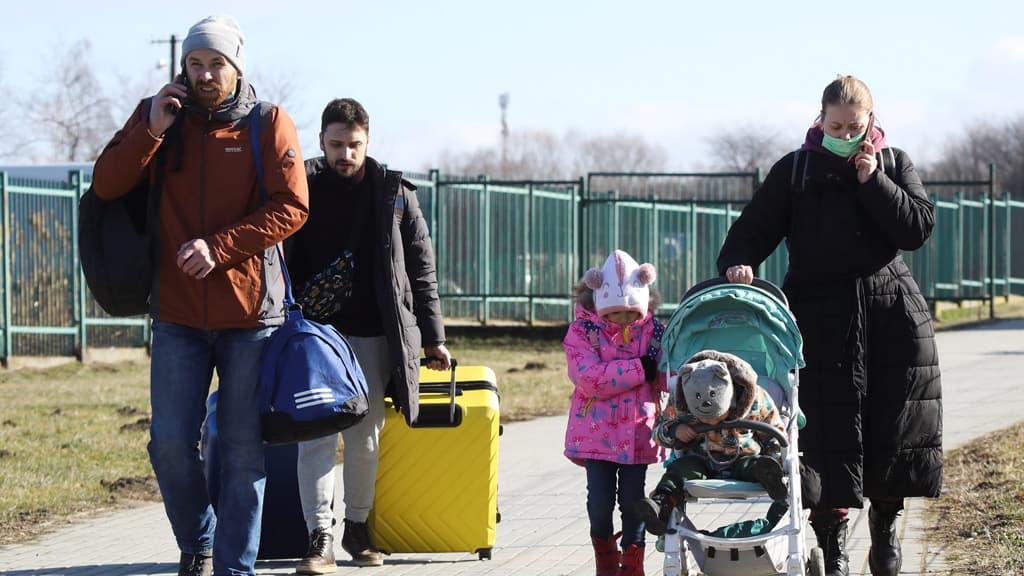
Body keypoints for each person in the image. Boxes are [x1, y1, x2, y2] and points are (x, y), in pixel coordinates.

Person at [92, 15, 309, 576]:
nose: (205, 74)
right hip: (177, 314)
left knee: (240, 450)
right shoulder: (159, 119)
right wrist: (151, 128)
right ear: (182, 68)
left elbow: (293, 207)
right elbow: (107, 184)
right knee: (168, 444)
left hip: (248, 317)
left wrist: (219, 247)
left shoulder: (269, 123)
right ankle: (199, 538)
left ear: (236, 66)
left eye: (216, 63)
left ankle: (235, 569)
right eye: (195, 64)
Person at [716, 75, 942, 576]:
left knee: (892, 428)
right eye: (835, 125)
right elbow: (753, 227)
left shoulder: (893, 162)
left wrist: (874, 181)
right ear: (820, 120)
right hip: (816, 315)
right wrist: (738, 262)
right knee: (822, 432)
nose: (844, 134)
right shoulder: (795, 169)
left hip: (890, 312)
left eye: (854, 126)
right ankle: (832, 545)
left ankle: (885, 533)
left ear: (871, 122)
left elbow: (917, 228)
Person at [285, 98, 451, 574]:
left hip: (376, 335)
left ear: (368, 142)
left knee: (366, 436)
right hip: (314, 337)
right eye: (336, 144)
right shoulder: (299, 183)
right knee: (315, 438)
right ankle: (320, 537)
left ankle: (356, 527)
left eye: (353, 145)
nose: (345, 154)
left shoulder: (394, 192)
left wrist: (434, 337)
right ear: (321, 141)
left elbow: (422, 269)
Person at [563, 249, 666, 576]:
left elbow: (665, 375)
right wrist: (640, 369)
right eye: (615, 314)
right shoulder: (582, 334)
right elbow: (589, 379)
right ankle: (605, 556)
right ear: (598, 306)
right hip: (597, 434)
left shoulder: (655, 333)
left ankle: (632, 563)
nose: (624, 320)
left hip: (638, 432)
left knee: (635, 502)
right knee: (600, 503)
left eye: (631, 314)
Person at [634, 350, 788, 536]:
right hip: (700, 460)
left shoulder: (754, 399)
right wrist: (675, 431)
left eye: (718, 416)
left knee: (754, 464)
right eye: (703, 419)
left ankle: (770, 477)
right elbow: (657, 431)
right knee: (680, 468)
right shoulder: (682, 401)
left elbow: (775, 432)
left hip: (743, 457)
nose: (710, 423)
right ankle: (661, 503)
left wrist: (777, 458)